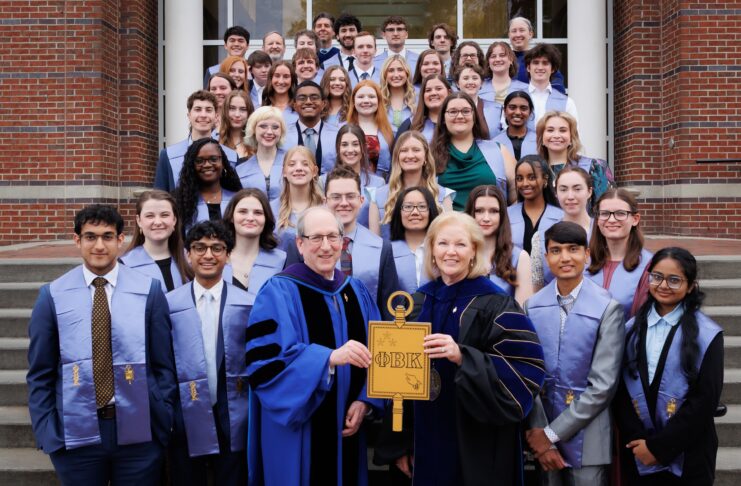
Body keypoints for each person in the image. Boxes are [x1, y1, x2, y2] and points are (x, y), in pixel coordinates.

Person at [375, 211, 545, 486]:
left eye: (460, 244)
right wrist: (402, 442)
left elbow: (526, 371)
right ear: (431, 250)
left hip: (479, 439)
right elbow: (397, 381)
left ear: (474, 251)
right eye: (442, 244)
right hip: (427, 436)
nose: (450, 252)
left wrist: (462, 357)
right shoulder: (417, 303)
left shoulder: (496, 304)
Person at [27, 205, 177, 485]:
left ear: (121, 240)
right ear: (77, 240)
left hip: (139, 431)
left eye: (107, 236)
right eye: (90, 236)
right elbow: (40, 372)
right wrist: (48, 430)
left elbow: (164, 364)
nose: (99, 245)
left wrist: (163, 414)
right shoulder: (53, 295)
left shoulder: (148, 290)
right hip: (75, 434)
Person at [245, 206, 381, 486]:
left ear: (343, 243)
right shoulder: (278, 291)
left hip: (348, 426)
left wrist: (366, 400)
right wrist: (328, 358)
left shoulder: (356, 291)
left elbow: (378, 353)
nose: (326, 246)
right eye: (316, 238)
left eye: (333, 237)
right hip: (300, 430)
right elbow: (267, 365)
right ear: (300, 243)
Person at [524, 221, 625, 486]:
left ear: (587, 253)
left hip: (589, 435)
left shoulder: (607, 308)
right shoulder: (532, 306)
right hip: (543, 427)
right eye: (556, 251)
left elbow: (603, 386)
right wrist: (540, 432)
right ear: (546, 257)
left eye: (573, 249)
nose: (565, 258)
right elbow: (529, 376)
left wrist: (551, 434)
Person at [613, 247, 723, 485]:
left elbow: (705, 400)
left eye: (674, 280)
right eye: (657, 277)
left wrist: (659, 448)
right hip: (638, 451)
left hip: (690, 453)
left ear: (691, 285)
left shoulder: (708, 335)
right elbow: (619, 389)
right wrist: (639, 441)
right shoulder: (630, 330)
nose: (663, 285)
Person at [166, 220, 250, 485]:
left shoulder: (248, 303)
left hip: (234, 414)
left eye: (217, 248)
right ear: (188, 254)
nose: (208, 255)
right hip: (184, 416)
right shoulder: (169, 304)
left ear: (227, 255)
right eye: (199, 248)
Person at [432, 92, 517, 208]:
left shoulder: (498, 150)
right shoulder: (430, 154)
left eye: (466, 111)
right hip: (448, 224)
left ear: (474, 116)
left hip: (490, 223)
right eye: (453, 112)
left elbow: (517, 195)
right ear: (443, 118)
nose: (460, 116)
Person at [369, 131, 453, 239]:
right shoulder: (377, 196)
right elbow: (375, 244)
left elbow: (448, 239)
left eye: (416, 150)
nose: (410, 155)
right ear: (397, 157)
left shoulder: (443, 195)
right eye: (404, 150)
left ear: (426, 157)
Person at [587, 188, 652, 320]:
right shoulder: (584, 261)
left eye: (620, 213)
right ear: (598, 219)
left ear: (635, 219)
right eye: (604, 213)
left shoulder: (649, 266)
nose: (611, 220)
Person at [154, 90, 238, 192]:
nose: (203, 115)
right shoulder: (168, 155)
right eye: (198, 109)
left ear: (216, 116)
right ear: (189, 115)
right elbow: (160, 196)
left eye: (208, 110)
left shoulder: (231, 157)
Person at [465, 185, 533, 305]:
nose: (486, 218)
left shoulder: (520, 257)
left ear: (502, 216)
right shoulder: (459, 254)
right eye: (479, 211)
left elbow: (521, 314)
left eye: (493, 211)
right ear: (470, 213)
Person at [531, 166, 594, 288]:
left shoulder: (604, 232)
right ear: (556, 193)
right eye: (563, 189)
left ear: (589, 191)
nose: (570, 196)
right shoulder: (541, 238)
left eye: (577, 189)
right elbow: (536, 287)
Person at [222, 189, 286, 305]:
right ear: (231, 217)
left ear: (266, 219)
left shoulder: (281, 260)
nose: (250, 218)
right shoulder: (217, 259)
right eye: (243, 211)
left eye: (258, 213)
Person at [121, 190, 190, 292]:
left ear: (174, 220)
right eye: (150, 216)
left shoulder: (189, 259)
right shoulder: (125, 266)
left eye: (164, 215)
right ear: (139, 221)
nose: (157, 222)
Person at [537, 111, 613, 202]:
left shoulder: (594, 167)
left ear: (571, 138)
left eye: (563, 130)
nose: (556, 135)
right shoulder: (535, 170)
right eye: (550, 130)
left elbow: (609, 205)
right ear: (541, 138)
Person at [174, 137, 242, 234]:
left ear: (223, 162)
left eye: (213, 159)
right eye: (199, 161)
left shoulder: (237, 198)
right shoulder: (180, 200)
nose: (207, 165)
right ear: (192, 165)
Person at [331, 124, 385, 226]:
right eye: (344, 144)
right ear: (338, 148)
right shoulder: (323, 182)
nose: (350, 150)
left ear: (363, 148)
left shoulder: (378, 183)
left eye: (355, 144)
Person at [388, 186, 439, 294]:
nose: (415, 212)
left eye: (422, 206)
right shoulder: (386, 251)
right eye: (408, 207)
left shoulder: (442, 249)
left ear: (431, 211)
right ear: (399, 212)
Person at [508, 154, 562, 255]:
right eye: (519, 178)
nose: (525, 183)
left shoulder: (561, 217)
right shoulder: (506, 215)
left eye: (531, 177)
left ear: (545, 179)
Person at [272, 146, 325, 250]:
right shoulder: (271, 209)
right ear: (284, 172)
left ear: (315, 171)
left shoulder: (325, 206)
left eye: (305, 164)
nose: (299, 168)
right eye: (292, 164)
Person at [283, 80, 339, 173]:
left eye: (314, 97)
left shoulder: (336, 135)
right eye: (302, 98)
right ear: (294, 105)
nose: (308, 102)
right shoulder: (283, 136)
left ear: (323, 104)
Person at [346, 80, 395, 178]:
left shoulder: (390, 132)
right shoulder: (343, 130)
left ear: (378, 101)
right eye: (360, 97)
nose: (366, 100)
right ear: (353, 102)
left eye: (371, 97)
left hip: (382, 186)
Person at [237, 106, 287, 201]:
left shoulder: (291, 162)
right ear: (253, 130)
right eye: (263, 126)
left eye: (275, 127)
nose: (269, 132)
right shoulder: (241, 169)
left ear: (281, 131)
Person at [525, 44, 578, 129]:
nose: (540, 67)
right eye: (535, 62)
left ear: (553, 69)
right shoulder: (515, 98)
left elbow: (574, 135)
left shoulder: (567, 103)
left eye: (545, 63)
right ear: (528, 67)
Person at [508, 17, 565, 94]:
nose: (518, 34)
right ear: (509, 35)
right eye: (514, 31)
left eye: (522, 30)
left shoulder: (541, 59)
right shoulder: (502, 60)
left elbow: (558, 89)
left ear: (530, 34)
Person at [396, 73, 451, 143]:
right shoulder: (409, 124)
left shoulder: (458, 122)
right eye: (428, 90)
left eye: (438, 89)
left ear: (449, 92)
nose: (433, 93)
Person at [453, 63, 502, 139]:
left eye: (475, 78)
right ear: (457, 83)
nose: (470, 82)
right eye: (465, 78)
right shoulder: (450, 109)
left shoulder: (497, 108)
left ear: (481, 83)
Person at [480, 41, 529, 105]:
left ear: (511, 60)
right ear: (488, 62)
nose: (497, 59)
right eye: (493, 56)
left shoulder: (525, 89)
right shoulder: (479, 87)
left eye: (502, 55)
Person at [493, 90, 538, 161]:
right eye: (512, 107)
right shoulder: (495, 143)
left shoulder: (539, 141)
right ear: (504, 111)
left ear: (530, 112)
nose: (517, 112)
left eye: (523, 108)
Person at [380, 55, 415, 133]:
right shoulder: (377, 98)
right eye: (391, 70)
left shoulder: (417, 97)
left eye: (400, 70)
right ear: (385, 75)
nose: (396, 75)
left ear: (407, 73)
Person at [218, 89, 255, 162]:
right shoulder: (215, 140)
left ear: (249, 113)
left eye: (243, 109)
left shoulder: (257, 142)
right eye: (232, 108)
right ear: (225, 111)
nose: (237, 114)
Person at [261, 60, 298, 125]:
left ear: (292, 80)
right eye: (277, 76)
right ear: (271, 79)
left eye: (286, 76)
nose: (281, 81)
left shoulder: (299, 108)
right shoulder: (262, 109)